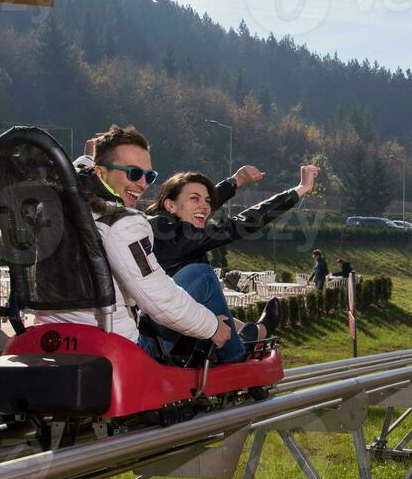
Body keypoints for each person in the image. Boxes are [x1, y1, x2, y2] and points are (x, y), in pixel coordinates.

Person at [37, 126, 264, 365]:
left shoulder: (52, 209)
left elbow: (77, 173)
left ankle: (239, 336)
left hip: (51, 335)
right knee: (202, 275)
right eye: (134, 173)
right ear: (101, 173)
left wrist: (88, 158)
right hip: (116, 346)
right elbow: (158, 299)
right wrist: (212, 328)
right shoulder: (121, 222)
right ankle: (236, 355)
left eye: (150, 176)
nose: (143, 184)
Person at [146, 165, 321, 277]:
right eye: (194, 198)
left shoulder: (159, 226)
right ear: (170, 205)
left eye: (208, 201)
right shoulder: (180, 239)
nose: (205, 207)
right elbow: (242, 224)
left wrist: (236, 181)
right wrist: (301, 188)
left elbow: (203, 201)